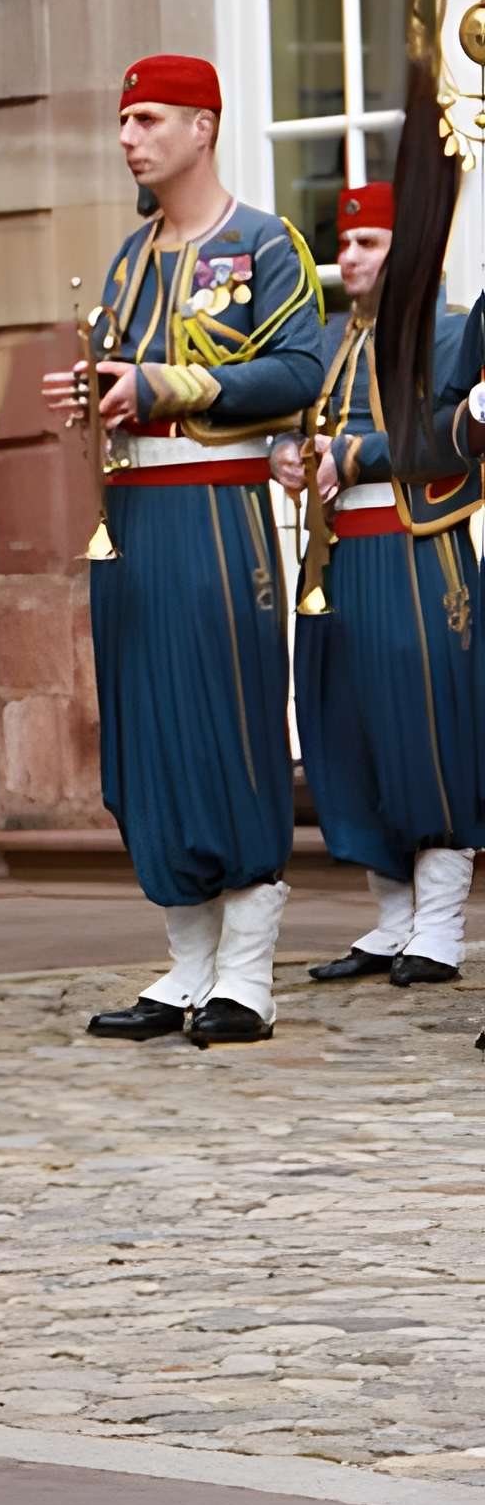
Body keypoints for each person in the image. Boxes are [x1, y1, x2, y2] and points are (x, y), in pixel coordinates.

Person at [41, 56, 322, 1047]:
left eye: (149, 118)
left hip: (215, 508)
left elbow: (297, 369)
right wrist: (91, 393)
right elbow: (124, 369)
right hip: (130, 514)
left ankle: (247, 973)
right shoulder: (130, 257)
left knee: (226, 721)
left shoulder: (264, 243)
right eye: (123, 120)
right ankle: (186, 962)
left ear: (202, 126)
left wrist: (165, 388)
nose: (130, 138)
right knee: (145, 733)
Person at [284, 185, 481, 984]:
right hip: (335, 560)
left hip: (414, 556)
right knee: (347, 732)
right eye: (348, 242)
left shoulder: (450, 331)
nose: (352, 257)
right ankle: (391, 920)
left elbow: (459, 438)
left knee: (424, 734)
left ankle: (438, 928)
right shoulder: (332, 338)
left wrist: (357, 456)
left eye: (370, 242)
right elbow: (306, 427)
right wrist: (287, 453)